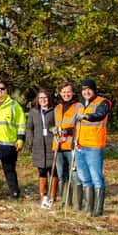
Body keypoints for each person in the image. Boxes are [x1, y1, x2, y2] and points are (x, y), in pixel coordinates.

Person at [75, 79, 111, 217]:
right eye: (84, 90)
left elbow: (99, 115)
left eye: (89, 89)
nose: (86, 92)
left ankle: (98, 209)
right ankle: (88, 207)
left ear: (94, 90)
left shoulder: (103, 102)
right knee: (84, 177)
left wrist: (87, 116)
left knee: (96, 177)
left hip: (94, 146)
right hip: (80, 146)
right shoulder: (81, 105)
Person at [52, 81, 83, 209]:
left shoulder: (79, 106)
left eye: (68, 92)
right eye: (64, 92)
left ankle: (77, 204)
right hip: (58, 147)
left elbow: (81, 126)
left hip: (72, 146)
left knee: (75, 175)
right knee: (61, 175)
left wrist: (68, 131)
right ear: (60, 93)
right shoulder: (57, 108)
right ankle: (65, 202)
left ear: (73, 92)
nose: (66, 94)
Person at [26, 89, 58, 208]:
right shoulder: (34, 112)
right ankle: (43, 195)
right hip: (38, 145)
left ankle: (53, 196)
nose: (43, 100)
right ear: (37, 100)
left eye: (45, 98)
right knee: (42, 170)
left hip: (51, 144)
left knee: (54, 170)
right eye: (41, 98)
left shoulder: (54, 111)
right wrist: (31, 140)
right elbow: (29, 128)